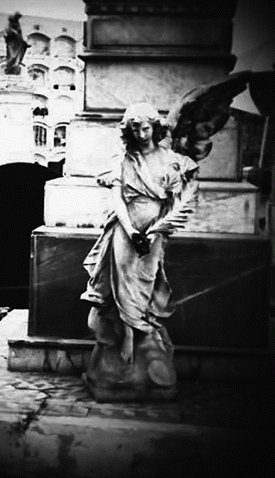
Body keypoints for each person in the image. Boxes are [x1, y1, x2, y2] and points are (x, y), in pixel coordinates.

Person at [80, 102, 199, 399]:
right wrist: (131, 231)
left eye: (145, 128)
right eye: (135, 129)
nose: (141, 134)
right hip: (126, 225)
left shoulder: (171, 161)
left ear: (155, 128)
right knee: (122, 280)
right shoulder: (123, 159)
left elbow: (176, 202)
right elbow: (117, 199)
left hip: (155, 228)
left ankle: (144, 334)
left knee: (146, 280)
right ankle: (127, 337)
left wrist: (156, 231)